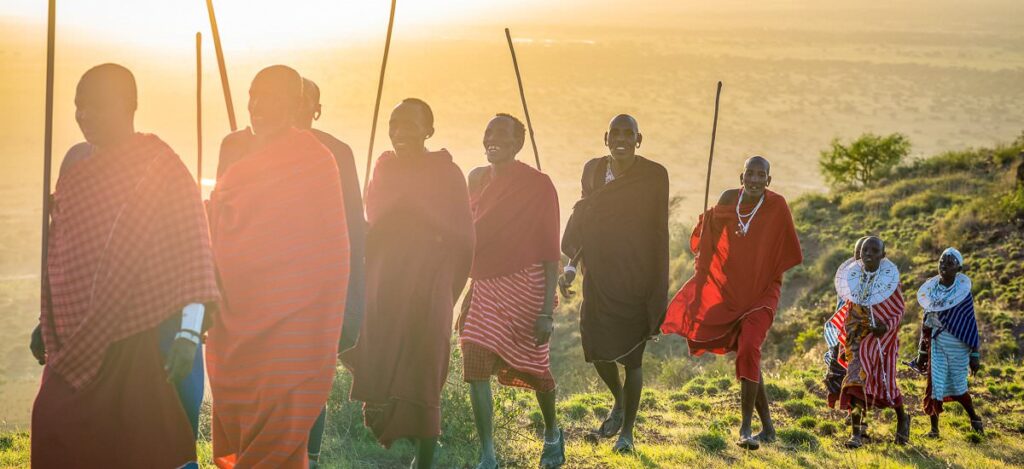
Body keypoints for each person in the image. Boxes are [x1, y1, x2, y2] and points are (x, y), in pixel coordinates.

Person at [29, 63, 220, 468]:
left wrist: (188, 331)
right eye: (79, 105)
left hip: (148, 331)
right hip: (77, 336)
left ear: (131, 106)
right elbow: (63, 254)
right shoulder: (75, 162)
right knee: (54, 423)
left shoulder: (160, 166)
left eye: (97, 106)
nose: (85, 116)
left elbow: (193, 252)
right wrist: (45, 320)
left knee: (152, 439)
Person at [205, 65, 351, 468]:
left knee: (281, 425)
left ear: (294, 105)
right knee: (240, 414)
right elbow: (221, 219)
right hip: (237, 311)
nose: (257, 105)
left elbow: (332, 248)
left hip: (292, 316)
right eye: (253, 94)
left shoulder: (315, 161)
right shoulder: (233, 147)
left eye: (270, 97)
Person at [340, 98, 474, 469]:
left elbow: (464, 236)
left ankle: (425, 461)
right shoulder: (384, 166)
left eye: (410, 125)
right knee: (373, 351)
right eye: (394, 123)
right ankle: (390, 418)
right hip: (386, 281)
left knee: (425, 367)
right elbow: (375, 214)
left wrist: (447, 284)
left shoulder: (447, 173)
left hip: (430, 282)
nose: (400, 132)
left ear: (429, 130)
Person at [661, 156, 802, 450]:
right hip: (732, 289)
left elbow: (784, 249)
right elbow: (711, 235)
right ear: (741, 176)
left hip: (763, 291)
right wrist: (705, 250)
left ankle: (745, 427)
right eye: (749, 174)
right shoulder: (729, 198)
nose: (754, 180)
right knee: (747, 353)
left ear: (768, 180)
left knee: (749, 347)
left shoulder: (777, 206)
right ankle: (769, 428)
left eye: (760, 175)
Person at [559, 114, 669, 453]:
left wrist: (657, 288)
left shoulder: (653, 175)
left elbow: (657, 231)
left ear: (639, 140)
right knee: (595, 347)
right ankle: (618, 400)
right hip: (600, 275)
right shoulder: (593, 170)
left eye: (629, 134)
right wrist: (571, 268)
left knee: (633, 358)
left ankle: (627, 434)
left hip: (637, 276)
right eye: (615, 133)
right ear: (606, 137)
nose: (621, 139)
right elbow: (585, 222)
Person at [460, 114, 564, 468]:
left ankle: (552, 432)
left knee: (535, 368)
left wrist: (546, 312)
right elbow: (463, 233)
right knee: (473, 359)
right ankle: (488, 454)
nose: (494, 139)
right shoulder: (475, 178)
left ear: (519, 144)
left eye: (503, 135)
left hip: (527, 287)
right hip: (486, 285)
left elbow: (551, 249)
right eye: (489, 132)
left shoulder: (539, 184)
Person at [295, 77, 367, 467]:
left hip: (322, 285)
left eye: (301, 101)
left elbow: (354, 227)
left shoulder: (337, 153)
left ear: (316, 108)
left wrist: (353, 302)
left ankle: (310, 458)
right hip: (269, 286)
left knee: (313, 377)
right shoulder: (253, 147)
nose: (292, 109)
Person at [825, 236, 909, 448]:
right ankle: (856, 433)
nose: (869, 254)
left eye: (874, 250)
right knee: (855, 381)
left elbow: (897, 310)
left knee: (885, 384)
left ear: (883, 254)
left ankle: (902, 417)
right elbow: (850, 306)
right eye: (865, 250)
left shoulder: (890, 280)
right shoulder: (854, 277)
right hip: (856, 338)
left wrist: (883, 327)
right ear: (859, 255)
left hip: (880, 340)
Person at [909, 247, 983, 437]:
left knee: (959, 387)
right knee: (935, 385)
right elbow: (926, 323)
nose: (944, 266)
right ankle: (934, 430)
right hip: (936, 343)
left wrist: (974, 355)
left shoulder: (963, 293)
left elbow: (970, 323)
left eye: (950, 263)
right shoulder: (931, 290)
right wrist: (922, 353)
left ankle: (975, 418)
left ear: (958, 268)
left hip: (958, 345)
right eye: (942, 261)